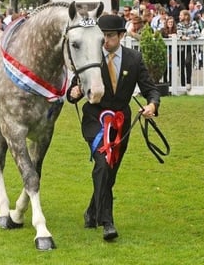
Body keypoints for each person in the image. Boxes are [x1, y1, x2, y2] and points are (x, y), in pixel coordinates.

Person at [66, 14, 160, 242]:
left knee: (110, 173)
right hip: (95, 120)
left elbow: (150, 89)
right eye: (103, 36)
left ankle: (91, 212)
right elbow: (72, 92)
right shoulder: (92, 57)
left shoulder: (133, 59)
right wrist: (74, 93)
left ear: (121, 35)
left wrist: (152, 105)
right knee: (102, 165)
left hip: (121, 122)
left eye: (109, 36)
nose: (105, 40)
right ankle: (107, 222)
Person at [177, 9, 200, 91]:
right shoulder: (179, 24)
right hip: (182, 48)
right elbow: (180, 34)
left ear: (186, 16)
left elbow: (197, 33)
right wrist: (184, 37)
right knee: (181, 65)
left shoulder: (194, 23)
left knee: (188, 62)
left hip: (190, 47)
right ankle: (183, 85)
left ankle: (188, 82)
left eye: (181, 15)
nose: (179, 16)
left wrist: (189, 37)